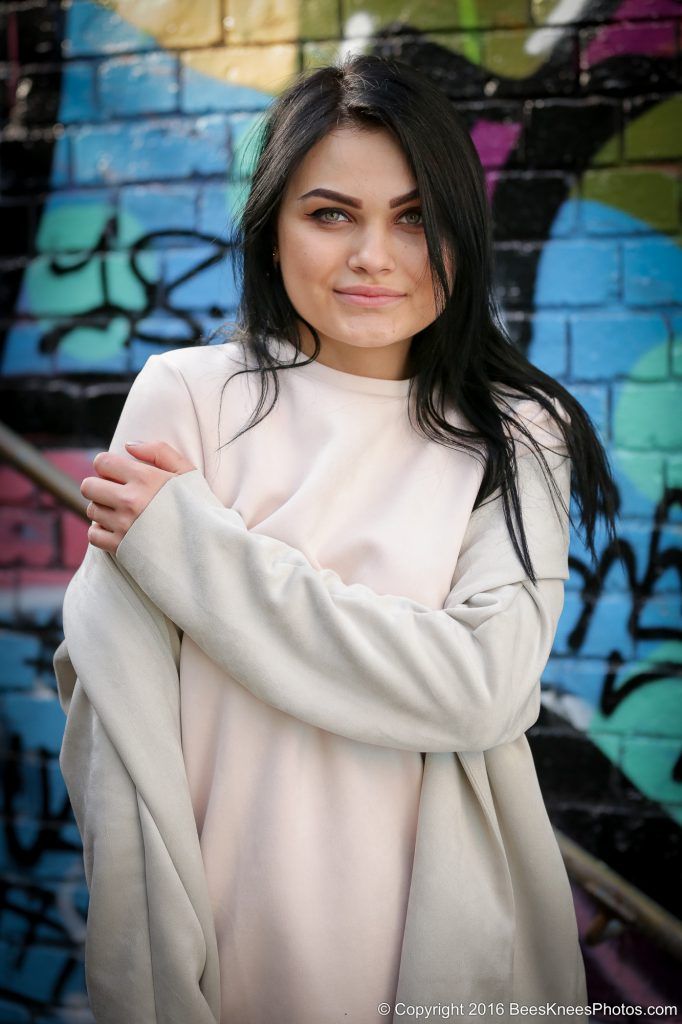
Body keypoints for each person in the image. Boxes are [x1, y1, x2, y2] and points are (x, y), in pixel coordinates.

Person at [57, 54, 619, 1023]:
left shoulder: (514, 431)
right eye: (330, 214)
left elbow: (482, 687)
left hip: (442, 959)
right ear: (272, 228)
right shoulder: (185, 397)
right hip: (218, 937)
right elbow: (121, 739)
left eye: (412, 217)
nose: (372, 254)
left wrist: (198, 549)